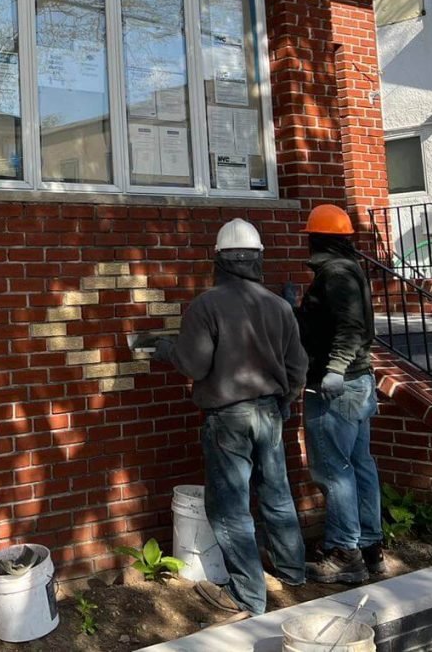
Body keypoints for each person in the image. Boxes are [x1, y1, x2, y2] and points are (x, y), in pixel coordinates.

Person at [154, 218, 308, 621]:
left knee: (230, 508)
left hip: (228, 418)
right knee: (277, 494)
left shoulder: (207, 305)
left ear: (219, 260)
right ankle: (292, 572)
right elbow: (298, 367)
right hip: (271, 413)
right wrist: (285, 401)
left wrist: (165, 348)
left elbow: (194, 363)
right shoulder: (278, 306)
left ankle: (248, 595)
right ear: (258, 259)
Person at [297, 204, 384, 583]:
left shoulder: (335, 274)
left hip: (339, 387)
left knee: (335, 470)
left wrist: (333, 369)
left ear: (317, 239)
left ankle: (344, 554)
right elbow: (339, 321)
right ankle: (370, 549)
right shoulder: (351, 270)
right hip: (359, 384)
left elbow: (349, 328)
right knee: (360, 465)